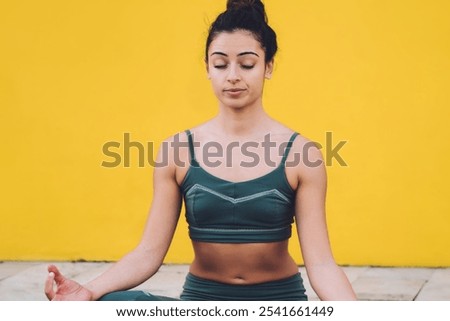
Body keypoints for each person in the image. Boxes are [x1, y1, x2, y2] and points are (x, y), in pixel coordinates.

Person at [45, 0, 357, 301]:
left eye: (247, 64)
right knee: (106, 304)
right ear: (207, 67)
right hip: (201, 303)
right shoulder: (177, 151)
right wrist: (88, 290)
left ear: (268, 66)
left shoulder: (302, 154)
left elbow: (321, 264)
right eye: (220, 63)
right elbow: (148, 253)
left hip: (277, 304)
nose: (233, 75)